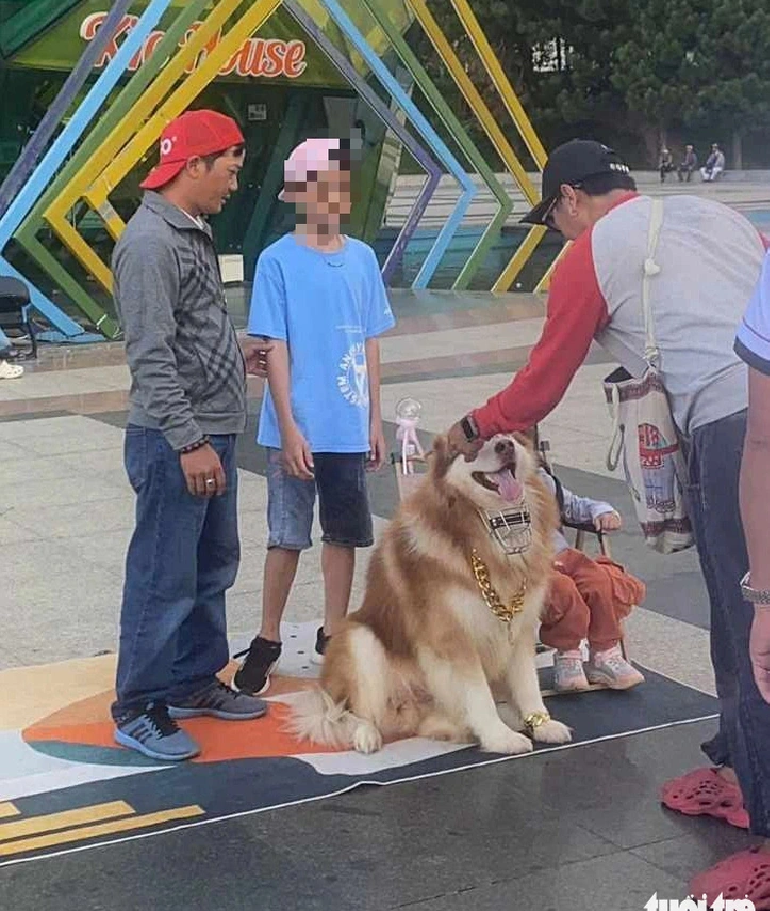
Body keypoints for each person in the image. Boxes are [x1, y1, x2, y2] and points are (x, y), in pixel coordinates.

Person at [445, 139, 770, 902]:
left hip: (739, 430)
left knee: (750, 614)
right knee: (742, 613)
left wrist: (472, 427)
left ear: (568, 200)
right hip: (755, 402)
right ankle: (740, 761)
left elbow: (540, 385)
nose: (561, 234)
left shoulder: (592, 251)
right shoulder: (720, 216)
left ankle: (766, 828)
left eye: (554, 219)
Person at [111, 109, 268, 763]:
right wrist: (187, 440)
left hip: (214, 431)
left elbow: (189, 330)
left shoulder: (192, 228)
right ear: (194, 166)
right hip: (179, 440)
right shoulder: (149, 243)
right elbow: (149, 355)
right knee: (163, 575)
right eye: (229, 169)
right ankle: (139, 705)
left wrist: (236, 352)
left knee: (211, 566)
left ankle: (192, 678)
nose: (235, 183)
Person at [232, 138, 395, 696]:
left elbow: (371, 340)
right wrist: (288, 425)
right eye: (322, 185)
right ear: (301, 194)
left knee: (343, 535)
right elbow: (271, 344)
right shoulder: (278, 260)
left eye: (341, 184)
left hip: (348, 426)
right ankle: (269, 635)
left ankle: (335, 629)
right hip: (293, 428)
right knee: (285, 535)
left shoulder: (364, 258)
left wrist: (375, 419)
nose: (335, 195)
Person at [529, 430, 645, 693]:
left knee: (597, 580)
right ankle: (568, 655)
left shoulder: (542, 480)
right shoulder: (483, 489)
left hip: (561, 554)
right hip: (524, 562)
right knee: (562, 589)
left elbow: (576, 505)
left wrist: (602, 510)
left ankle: (604, 653)